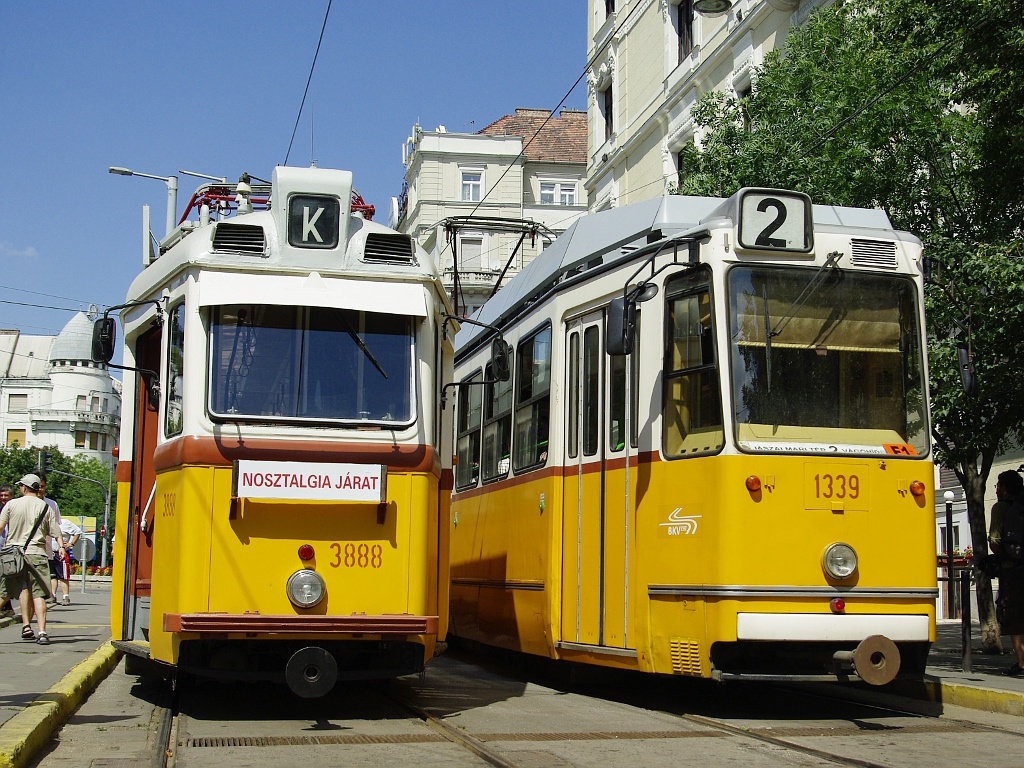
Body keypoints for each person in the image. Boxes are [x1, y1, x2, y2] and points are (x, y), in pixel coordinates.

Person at [0, 474, 64, 644]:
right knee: (38, 595)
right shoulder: (45, 507)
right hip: (37, 554)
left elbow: (0, 527)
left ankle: (28, 627)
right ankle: (42, 633)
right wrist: (62, 547)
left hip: (13, 555)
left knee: (4, 593)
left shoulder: (11, 505)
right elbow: (56, 531)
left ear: (24, 488)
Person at [988, 469, 1024, 676]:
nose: (997, 490)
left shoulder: (1001, 508)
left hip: (1012, 571)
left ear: (1004, 488)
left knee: (1014, 616)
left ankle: (1021, 663)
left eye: (998, 486)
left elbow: (994, 542)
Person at [36, 476, 65, 607]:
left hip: (46, 550)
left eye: (42, 486)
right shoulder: (21, 503)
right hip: (27, 549)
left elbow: (57, 528)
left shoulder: (52, 504)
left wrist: (61, 546)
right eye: (37, 486)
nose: (39, 489)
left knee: (41, 584)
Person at [54, 516, 81, 605]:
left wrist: (71, 543)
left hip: (61, 553)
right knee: (52, 576)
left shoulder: (65, 522)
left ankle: (65, 597)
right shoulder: (46, 522)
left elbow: (78, 532)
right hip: (49, 552)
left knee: (63, 576)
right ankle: (52, 596)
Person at [0, 484, 13, 618]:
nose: (3, 498)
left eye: (6, 495)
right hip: (1, 547)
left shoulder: (15, 509)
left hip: (10, 548)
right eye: (1, 495)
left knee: (7, 578)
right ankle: (7, 607)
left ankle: (7, 607)